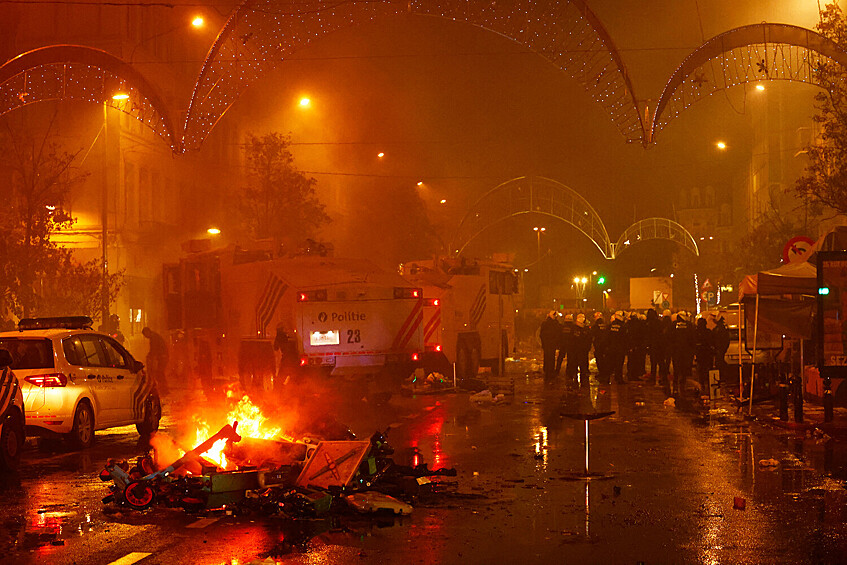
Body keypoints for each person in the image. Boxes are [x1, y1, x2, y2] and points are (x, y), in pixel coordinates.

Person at [671, 312, 694, 396]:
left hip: (676, 349)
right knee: (684, 366)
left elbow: (669, 335)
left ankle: (675, 382)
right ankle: (682, 382)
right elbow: (692, 337)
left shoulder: (674, 325)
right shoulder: (689, 325)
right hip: (686, 350)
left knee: (676, 366)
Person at [142, 327, 170, 395]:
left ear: (147, 332)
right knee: (160, 373)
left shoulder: (154, 338)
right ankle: (163, 389)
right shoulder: (154, 336)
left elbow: (154, 349)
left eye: (145, 335)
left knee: (159, 373)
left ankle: (164, 390)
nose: (146, 337)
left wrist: (151, 356)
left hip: (162, 356)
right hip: (162, 356)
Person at [273, 325, 300, 391]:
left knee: (282, 376)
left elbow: (275, 347)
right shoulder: (287, 336)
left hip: (287, 358)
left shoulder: (279, 336)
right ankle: (295, 389)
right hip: (294, 358)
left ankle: (279, 390)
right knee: (293, 374)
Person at [694, 316, 714, 395]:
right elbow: (712, 342)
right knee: (708, 370)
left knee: (701, 371)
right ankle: (709, 386)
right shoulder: (708, 332)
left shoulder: (696, 332)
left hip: (700, 354)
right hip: (707, 354)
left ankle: (702, 385)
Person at [571, 313, 592, 387]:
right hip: (578, 350)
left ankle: (581, 375)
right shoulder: (575, 329)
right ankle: (576, 375)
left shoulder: (584, 329)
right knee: (578, 363)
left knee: (582, 363)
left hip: (581, 350)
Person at [539, 311, 561, 380]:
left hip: (547, 344)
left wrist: (544, 342)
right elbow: (558, 333)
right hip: (552, 343)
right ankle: (550, 370)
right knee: (551, 356)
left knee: (547, 356)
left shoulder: (545, 323)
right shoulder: (555, 323)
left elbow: (541, 334)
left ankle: (547, 370)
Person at [607, 311, 627, 384]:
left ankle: (606, 378)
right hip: (620, 348)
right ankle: (619, 378)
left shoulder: (610, 325)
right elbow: (625, 338)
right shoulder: (623, 326)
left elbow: (607, 337)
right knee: (619, 364)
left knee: (611, 364)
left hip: (611, 348)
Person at [712, 313, 731, 386]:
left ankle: (722, 376)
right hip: (719, 349)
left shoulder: (720, 330)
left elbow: (725, 340)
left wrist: (721, 349)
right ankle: (722, 376)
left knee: (720, 363)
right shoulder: (719, 329)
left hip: (720, 349)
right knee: (719, 363)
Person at [591, 311, 609, 384]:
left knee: (599, 360)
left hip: (598, 345)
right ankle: (605, 374)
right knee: (605, 360)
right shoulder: (606, 325)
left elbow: (592, 335)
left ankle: (602, 374)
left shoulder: (595, 326)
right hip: (606, 345)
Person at [559, 313, 574, 378]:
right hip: (571, 345)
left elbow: (559, 335)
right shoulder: (573, 327)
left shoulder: (562, 326)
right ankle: (569, 371)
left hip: (563, 344)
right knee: (570, 359)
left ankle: (557, 370)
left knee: (560, 358)